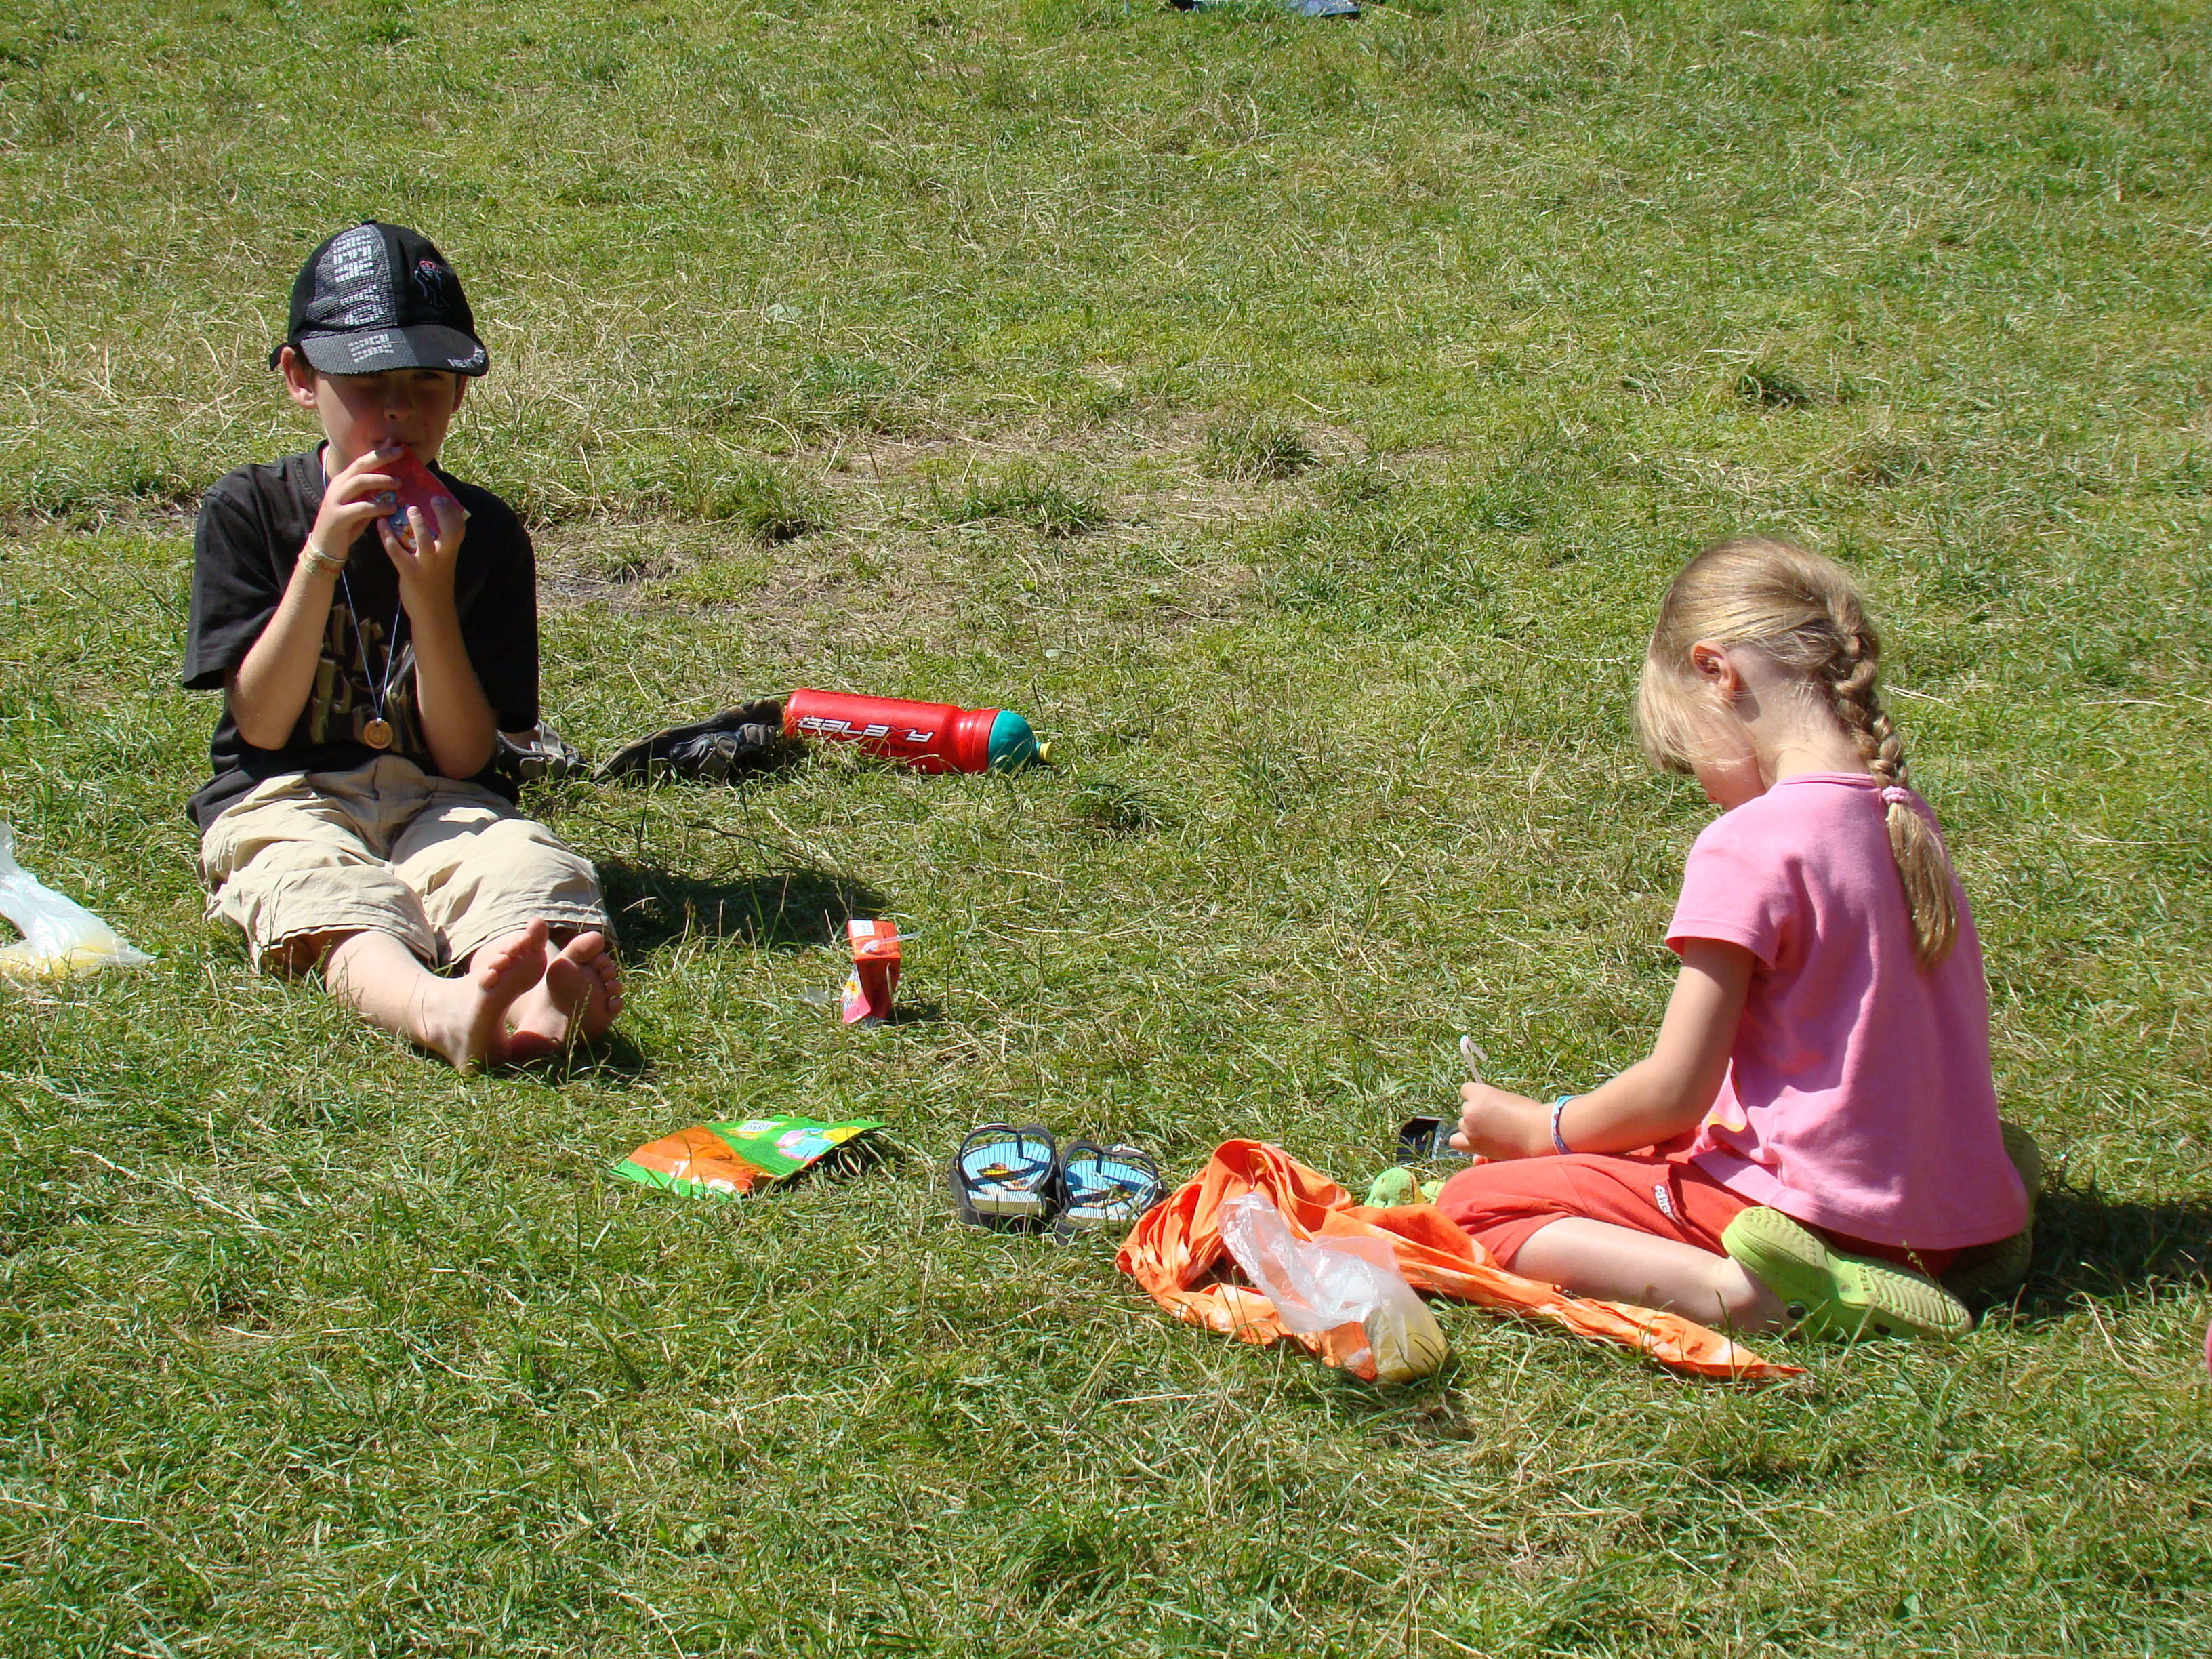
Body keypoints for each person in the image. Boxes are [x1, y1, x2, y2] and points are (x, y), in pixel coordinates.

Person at [1435, 537, 2032, 1338]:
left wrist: (1541, 1128)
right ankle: (1983, 1217)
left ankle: (1754, 1291)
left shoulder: (1751, 843)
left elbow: (1675, 1090)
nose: (1706, 791)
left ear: (1717, 672)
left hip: (1817, 1216)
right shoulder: (1901, 813)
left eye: (1688, 759)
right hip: (1939, 1218)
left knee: (1473, 1205)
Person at [182, 222, 621, 1070]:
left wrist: (428, 592)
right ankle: (435, 1007)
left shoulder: (484, 533)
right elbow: (263, 725)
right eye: (368, 383)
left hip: (439, 795)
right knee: (314, 883)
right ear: (299, 378)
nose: (400, 411)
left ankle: (538, 999)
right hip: (287, 791)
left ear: (459, 395)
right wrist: (322, 555)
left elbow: (463, 755)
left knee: (520, 861)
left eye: (427, 382)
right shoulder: (251, 509)